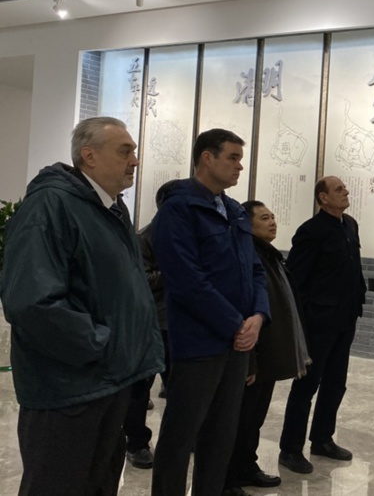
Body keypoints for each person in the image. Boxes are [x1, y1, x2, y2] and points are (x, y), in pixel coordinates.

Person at [0, 117, 164, 495]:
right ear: (88, 156)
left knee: (98, 482)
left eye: (135, 151)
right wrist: (99, 343)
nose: (135, 160)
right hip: (68, 389)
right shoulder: (50, 206)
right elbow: (30, 302)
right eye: (125, 151)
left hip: (107, 382)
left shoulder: (110, 208)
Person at [150, 129, 270, 496]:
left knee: (221, 436)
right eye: (232, 157)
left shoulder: (233, 211)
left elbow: (255, 270)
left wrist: (259, 316)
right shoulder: (179, 209)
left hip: (237, 344)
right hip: (198, 343)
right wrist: (237, 324)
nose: (240, 166)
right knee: (180, 437)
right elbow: (187, 281)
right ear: (207, 157)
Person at [278, 176, 366, 474]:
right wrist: (303, 320)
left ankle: (322, 439)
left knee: (336, 383)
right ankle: (290, 449)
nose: (346, 192)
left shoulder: (350, 225)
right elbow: (296, 278)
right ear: (323, 198)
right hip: (318, 321)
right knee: (307, 386)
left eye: (345, 188)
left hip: (345, 319)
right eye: (339, 189)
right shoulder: (311, 231)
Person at [223, 200, 312, 496]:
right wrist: (250, 359)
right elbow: (244, 309)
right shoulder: (247, 255)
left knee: (255, 419)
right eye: (264, 218)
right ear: (247, 224)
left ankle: (248, 466)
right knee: (241, 419)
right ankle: (229, 478)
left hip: (269, 354)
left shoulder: (269, 255)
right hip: (254, 355)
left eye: (273, 216)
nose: (272, 221)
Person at [124, 179, 179, 470]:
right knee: (139, 390)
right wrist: (174, 272)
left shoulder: (184, 236)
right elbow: (140, 280)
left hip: (181, 324)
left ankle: (180, 441)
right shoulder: (145, 238)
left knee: (180, 389)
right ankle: (137, 443)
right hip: (152, 323)